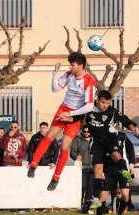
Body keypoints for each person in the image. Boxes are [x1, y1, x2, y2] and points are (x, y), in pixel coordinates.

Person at [27, 52, 96, 191]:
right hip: (63, 108)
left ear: (81, 66)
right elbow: (55, 89)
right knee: (49, 136)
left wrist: (70, 114)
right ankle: (33, 165)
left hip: (75, 115)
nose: (71, 67)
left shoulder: (89, 82)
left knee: (64, 146)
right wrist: (55, 73)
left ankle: (56, 178)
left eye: (73, 65)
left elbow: (89, 106)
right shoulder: (69, 74)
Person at [77, 90, 137, 211]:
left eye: (107, 103)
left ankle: (124, 171)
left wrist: (131, 126)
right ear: (97, 100)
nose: (105, 105)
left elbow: (124, 119)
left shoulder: (112, 111)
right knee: (97, 169)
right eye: (103, 102)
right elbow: (76, 117)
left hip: (110, 139)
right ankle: (95, 198)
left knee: (115, 154)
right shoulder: (88, 109)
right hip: (97, 143)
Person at [89, 131, 135, 215]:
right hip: (108, 171)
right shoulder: (99, 136)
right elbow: (95, 156)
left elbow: (131, 150)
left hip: (122, 170)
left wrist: (131, 164)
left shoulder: (122, 136)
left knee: (125, 196)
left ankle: (121, 212)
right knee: (102, 197)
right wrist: (99, 171)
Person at [70, 125, 93, 213]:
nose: (86, 133)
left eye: (88, 131)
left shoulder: (94, 139)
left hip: (92, 167)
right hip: (82, 167)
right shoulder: (77, 139)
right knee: (82, 186)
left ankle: (87, 206)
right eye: (85, 131)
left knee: (90, 188)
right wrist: (77, 157)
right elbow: (72, 152)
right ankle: (79, 204)